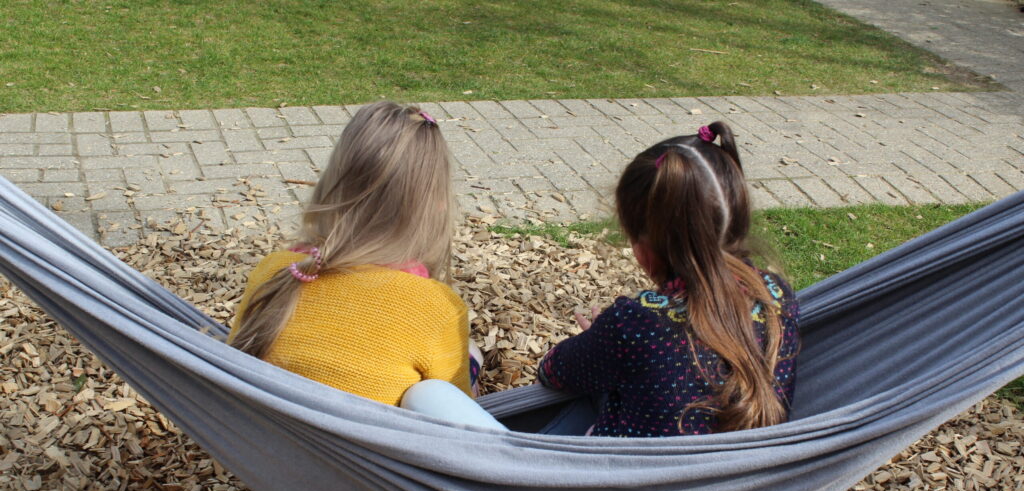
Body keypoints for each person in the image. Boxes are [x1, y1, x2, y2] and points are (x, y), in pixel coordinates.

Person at [229, 101, 503, 429]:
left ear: (331, 185)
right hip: (373, 458)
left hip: (265, 444)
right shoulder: (435, 308)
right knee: (464, 360)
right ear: (437, 206)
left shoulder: (275, 271)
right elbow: (457, 418)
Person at [537, 122, 800, 437]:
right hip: (750, 466)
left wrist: (601, 341)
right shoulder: (777, 296)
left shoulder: (634, 324)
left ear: (643, 245)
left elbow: (553, 372)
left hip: (633, 467)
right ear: (738, 218)